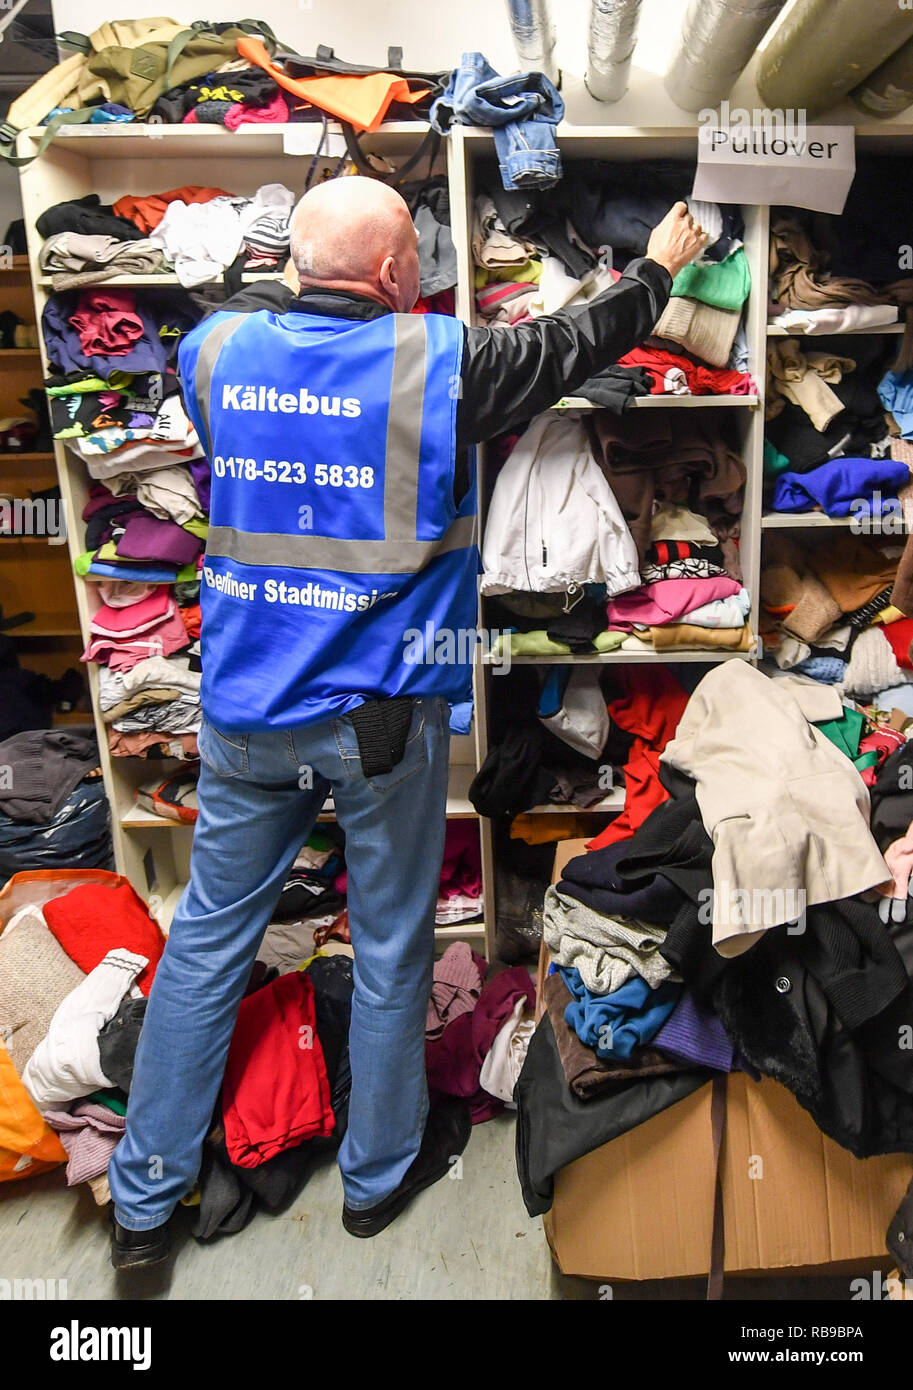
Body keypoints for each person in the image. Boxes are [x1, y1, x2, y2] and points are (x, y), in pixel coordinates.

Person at [107, 175, 706, 1267]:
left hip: (244, 713)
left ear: (294, 263)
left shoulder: (214, 350)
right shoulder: (441, 365)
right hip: (379, 718)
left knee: (202, 945)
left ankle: (142, 1210)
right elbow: (574, 341)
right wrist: (658, 267)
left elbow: (248, 326)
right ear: (394, 276)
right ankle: (375, 1182)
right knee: (388, 949)